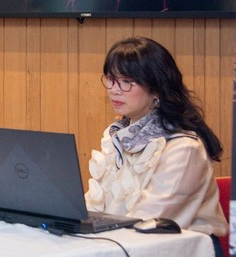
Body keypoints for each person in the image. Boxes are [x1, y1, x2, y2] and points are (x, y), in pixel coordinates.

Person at [85, 37, 227, 256]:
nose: (114, 90)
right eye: (111, 79)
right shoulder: (117, 134)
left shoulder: (184, 148)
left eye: (126, 82)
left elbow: (150, 222)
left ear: (156, 89)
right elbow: (97, 203)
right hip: (119, 242)